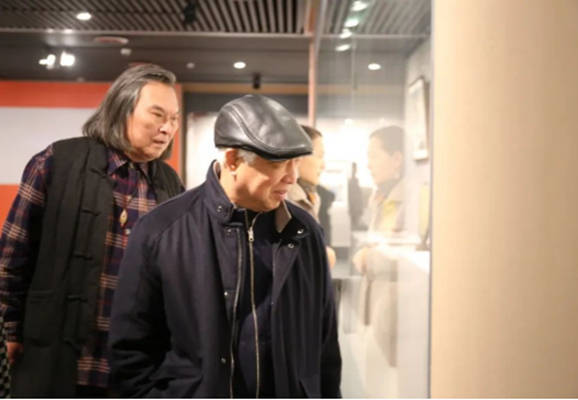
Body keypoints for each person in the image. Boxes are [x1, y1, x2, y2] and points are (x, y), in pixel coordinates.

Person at [108, 95, 342, 398]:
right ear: (232, 160)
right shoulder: (161, 231)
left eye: (296, 162)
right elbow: (130, 353)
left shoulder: (305, 232)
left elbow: (325, 347)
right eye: (277, 163)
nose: (292, 177)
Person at [0, 64, 185, 397]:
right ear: (121, 108)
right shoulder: (58, 161)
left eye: (174, 119)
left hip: (136, 372)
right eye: (157, 114)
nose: (167, 128)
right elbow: (12, 255)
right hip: (56, 357)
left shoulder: (170, 185)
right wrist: (9, 331)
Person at [287, 125, 336, 267]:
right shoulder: (283, 201)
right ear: (298, 157)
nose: (323, 165)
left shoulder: (311, 196)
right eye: (319, 156)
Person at [365, 126, 405, 233]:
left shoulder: (410, 203)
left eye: (373, 156)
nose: (368, 165)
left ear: (397, 159)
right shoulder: (379, 197)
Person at [347, 162, 366, 231]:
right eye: (354, 168)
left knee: (354, 227)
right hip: (354, 209)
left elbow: (358, 197)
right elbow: (354, 197)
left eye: (355, 169)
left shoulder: (355, 181)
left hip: (355, 209)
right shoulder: (351, 182)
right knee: (354, 227)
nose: (355, 170)